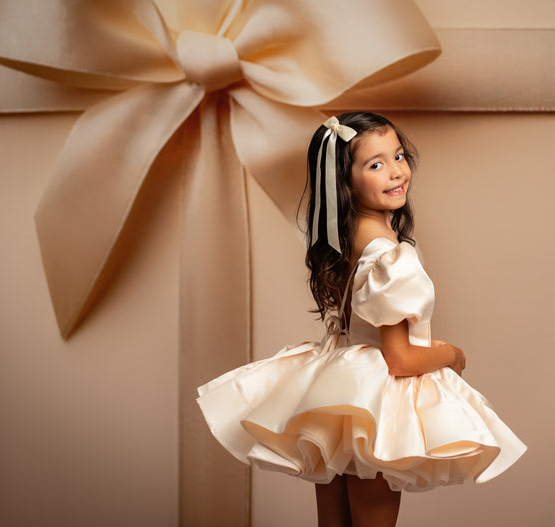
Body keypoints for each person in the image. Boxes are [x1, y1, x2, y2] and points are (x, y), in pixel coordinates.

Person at [197, 112, 526, 527]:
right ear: (345, 181)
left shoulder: (347, 236)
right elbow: (400, 359)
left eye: (399, 156)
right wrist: (451, 355)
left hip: (337, 398)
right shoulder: (390, 254)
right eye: (375, 164)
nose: (396, 172)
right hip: (375, 406)